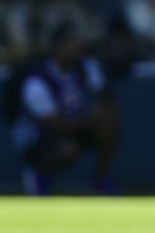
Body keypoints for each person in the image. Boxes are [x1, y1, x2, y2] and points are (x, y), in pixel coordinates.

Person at [9, 21, 120, 196]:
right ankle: (38, 174)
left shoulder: (86, 68)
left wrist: (102, 112)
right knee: (67, 149)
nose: (78, 49)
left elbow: (106, 99)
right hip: (40, 137)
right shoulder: (37, 81)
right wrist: (90, 119)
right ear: (57, 47)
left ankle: (101, 179)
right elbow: (53, 124)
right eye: (71, 44)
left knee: (109, 125)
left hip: (77, 126)